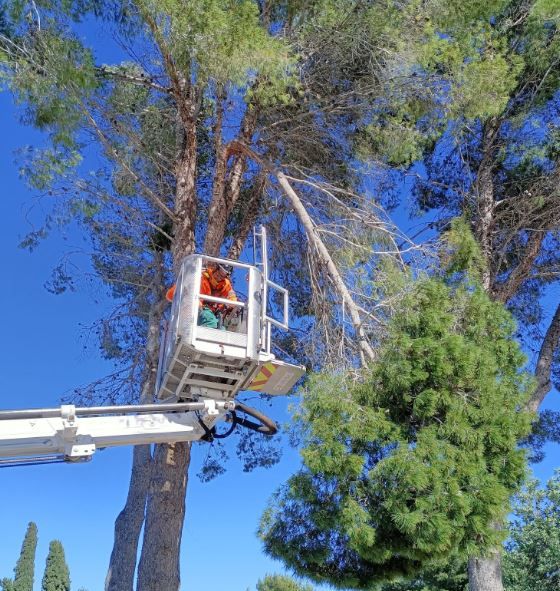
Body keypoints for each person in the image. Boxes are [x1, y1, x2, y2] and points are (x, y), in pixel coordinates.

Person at [166, 262, 237, 329]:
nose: (219, 277)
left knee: (222, 329)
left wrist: (230, 304)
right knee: (210, 322)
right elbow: (170, 295)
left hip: (214, 314)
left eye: (223, 275)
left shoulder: (225, 285)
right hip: (196, 311)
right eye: (219, 272)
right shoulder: (199, 277)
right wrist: (187, 281)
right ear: (215, 268)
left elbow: (232, 298)